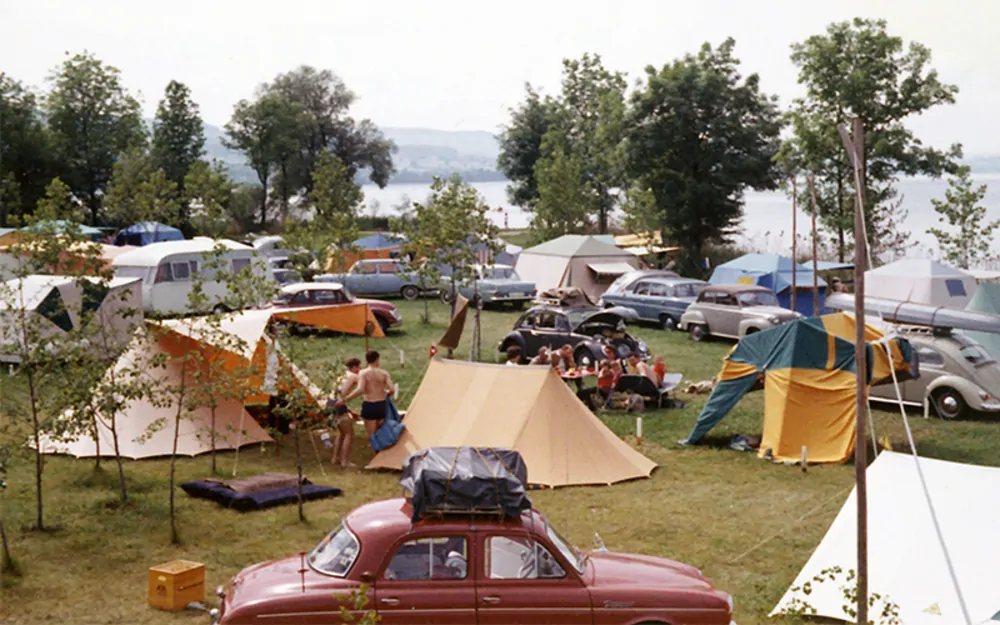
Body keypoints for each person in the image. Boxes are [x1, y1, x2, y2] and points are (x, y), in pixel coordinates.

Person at [344, 350, 395, 439]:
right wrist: (387, 393)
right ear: (377, 359)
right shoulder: (384, 373)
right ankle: (384, 452)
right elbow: (392, 389)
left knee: (372, 435)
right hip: (381, 404)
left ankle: (376, 452)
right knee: (382, 433)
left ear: (367, 360)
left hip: (369, 404)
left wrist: (347, 399)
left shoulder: (363, 373)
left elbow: (360, 389)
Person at [327, 358, 361, 469]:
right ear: (354, 367)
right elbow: (362, 388)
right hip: (339, 404)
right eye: (359, 367)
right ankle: (344, 462)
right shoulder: (354, 376)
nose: (359, 370)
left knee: (341, 432)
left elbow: (337, 395)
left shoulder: (342, 376)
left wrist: (350, 410)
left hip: (330, 403)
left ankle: (335, 458)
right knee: (349, 434)